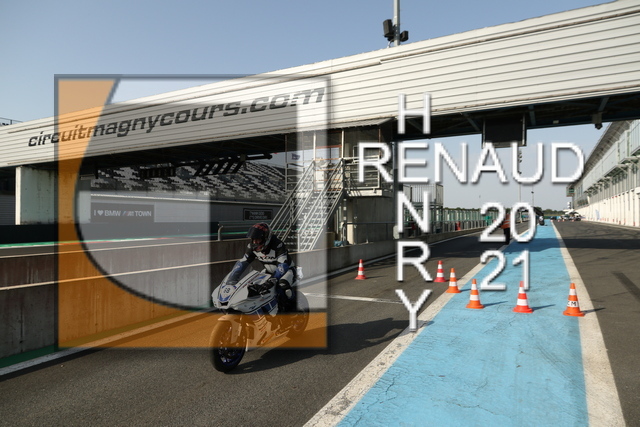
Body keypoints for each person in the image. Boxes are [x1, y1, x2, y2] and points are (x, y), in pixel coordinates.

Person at [228, 222, 297, 311]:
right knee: (254, 286)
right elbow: (243, 262)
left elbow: (283, 265)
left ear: (266, 238)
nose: (255, 242)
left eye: (258, 239)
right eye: (253, 239)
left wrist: (272, 279)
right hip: (268, 271)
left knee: (283, 285)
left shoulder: (277, 245)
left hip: (287, 271)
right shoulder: (251, 247)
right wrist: (232, 278)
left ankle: (294, 308)